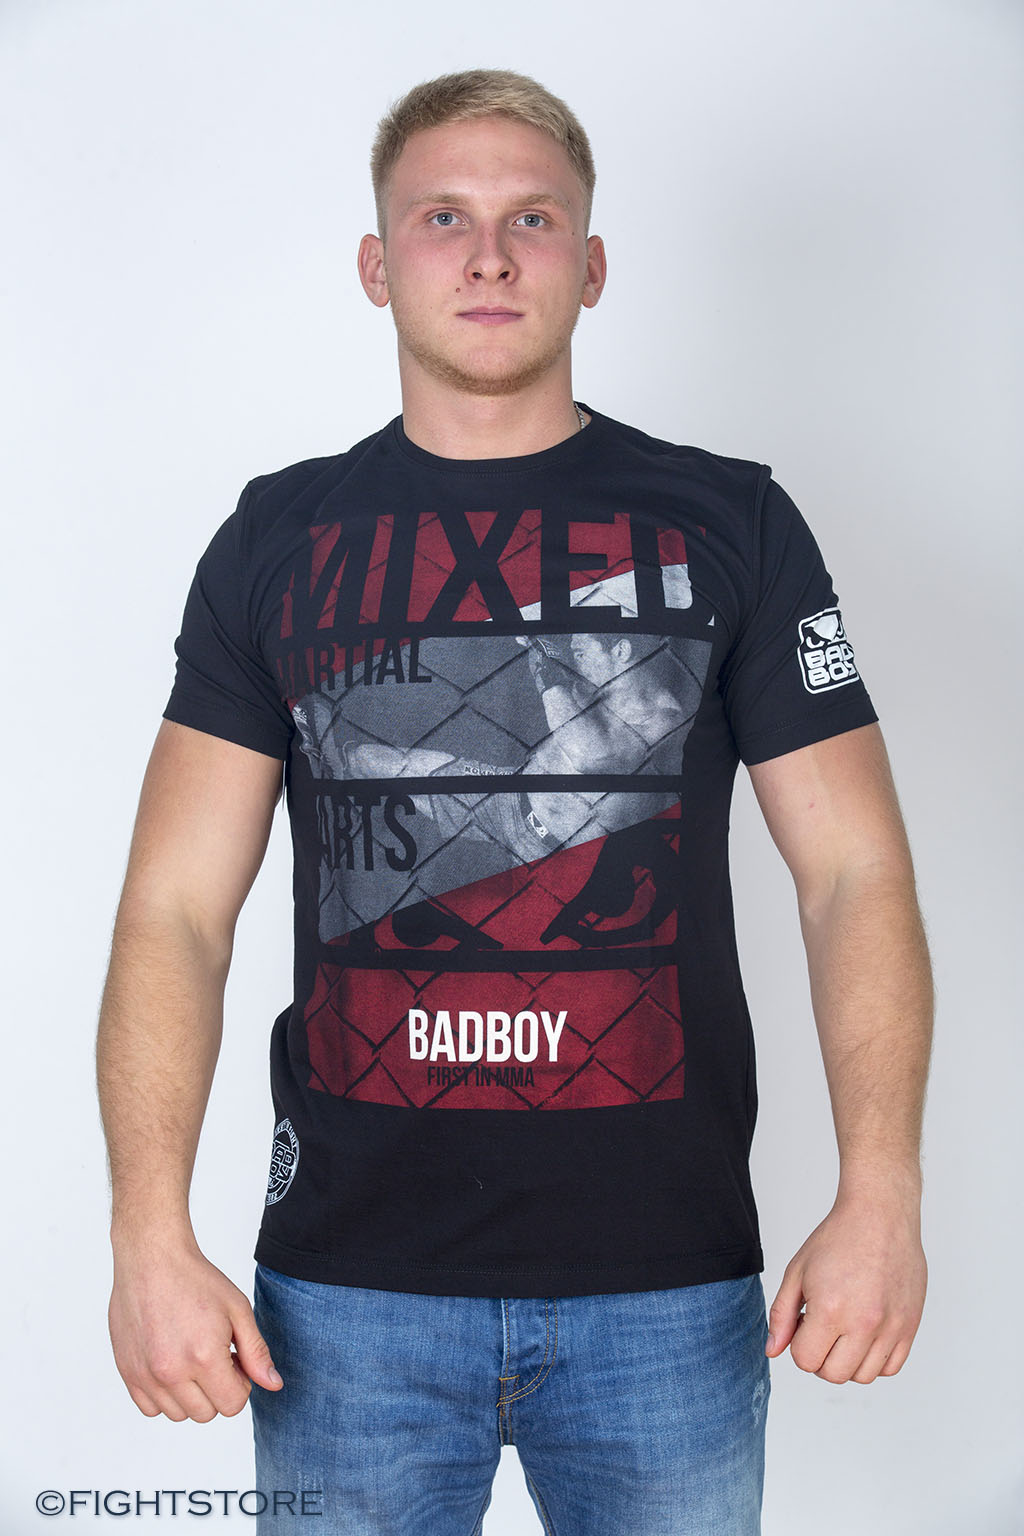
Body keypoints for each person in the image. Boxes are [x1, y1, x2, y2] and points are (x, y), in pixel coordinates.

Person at [97, 68, 932, 1535]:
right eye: (444, 218)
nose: (488, 256)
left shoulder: (731, 521)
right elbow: (174, 910)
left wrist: (884, 1193)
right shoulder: (276, 538)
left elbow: (854, 873)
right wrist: (145, 1235)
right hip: (344, 1297)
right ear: (378, 265)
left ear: (591, 264)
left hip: (665, 1289)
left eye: (531, 219)